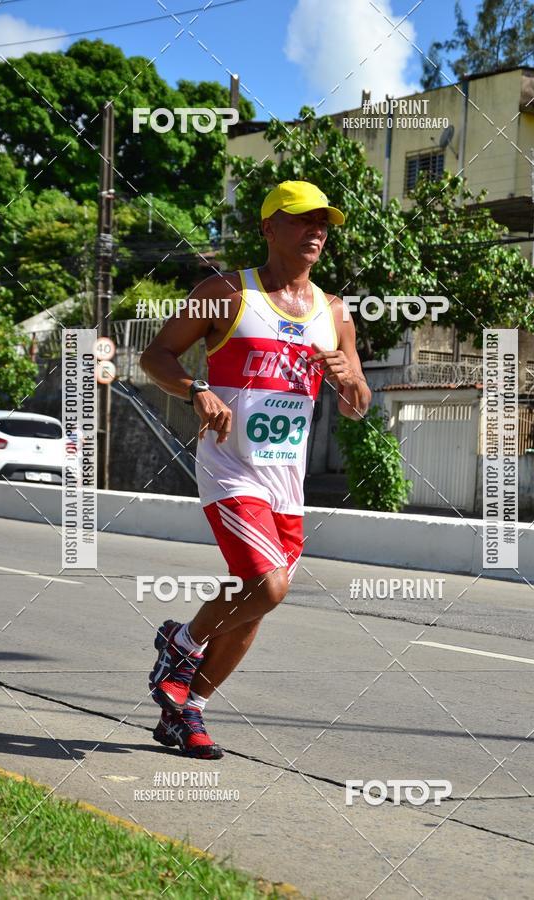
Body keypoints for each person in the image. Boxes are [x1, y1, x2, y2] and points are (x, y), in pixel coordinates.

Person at [140, 180, 371, 758]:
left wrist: (347, 378)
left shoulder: (334, 313)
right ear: (269, 228)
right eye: (302, 220)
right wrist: (196, 391)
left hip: (286, 480)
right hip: (231, 467)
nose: (316, 231)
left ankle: (187, 711)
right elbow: (154, 356)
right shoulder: (226, 293)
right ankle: (182, 641)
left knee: (257, 602)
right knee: (269, 585)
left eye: (323, 222)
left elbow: (357, 404)